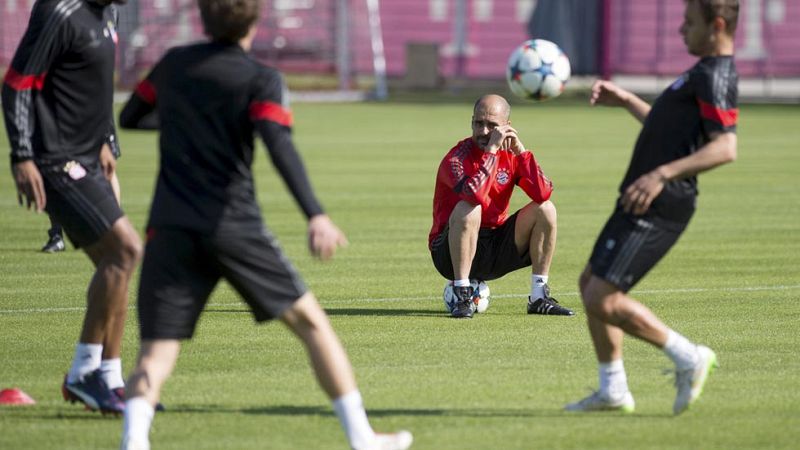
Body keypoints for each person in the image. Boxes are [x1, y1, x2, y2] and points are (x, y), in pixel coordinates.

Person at [116, 1, 413, 449]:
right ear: (254, 22)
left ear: (202, 18)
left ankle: (134, 441)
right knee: (312, 325)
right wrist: (316, 214)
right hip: (233, 226)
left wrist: (187, 122)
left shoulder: (174, 64)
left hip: (170, 227)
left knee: (156, 353)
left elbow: (131, 116)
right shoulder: (261, 78)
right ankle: (362, 437)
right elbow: (279, 146)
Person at [565, 0, 739, 415]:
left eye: (689, 23)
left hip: (661, 202)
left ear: (716, 26)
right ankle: (613, 390)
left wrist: (661, 175)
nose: (681, 30)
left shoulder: (715, 76)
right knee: (590, 283)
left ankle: (689, 357)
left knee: (603, 298)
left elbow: (725, 147)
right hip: (641, 196)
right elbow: (670, 132)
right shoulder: (699, 73)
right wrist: (628, 101)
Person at [2, 0, 141, 414]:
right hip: (54, 160)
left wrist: (105, 141)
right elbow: (16, 84)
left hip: (87, 158)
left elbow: (92, 85)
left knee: (119, 263)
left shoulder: (107, 12)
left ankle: (110, 379)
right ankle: (83, 375)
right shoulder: (59, 10)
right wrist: (22, 156)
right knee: (126, 251)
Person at [429, 94, 574, 319]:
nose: (484, 131)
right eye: (479, 123)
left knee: (546, 209)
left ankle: (539, 297)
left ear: (507, 126)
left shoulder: (511, 155)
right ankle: (462, 295)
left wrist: (521, 152)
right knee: (469, 208)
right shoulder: (456, 158)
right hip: (448, 252)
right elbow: (475, 195)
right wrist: (492, 152)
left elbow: (543, 193)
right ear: (471, 122)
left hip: (494, 246)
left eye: (492, 125)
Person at [41, 137, 123, 253]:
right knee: (57, 166)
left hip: (98, 127)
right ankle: (56, 235)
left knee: (107, 167)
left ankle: (114, 230)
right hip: (67, 129)